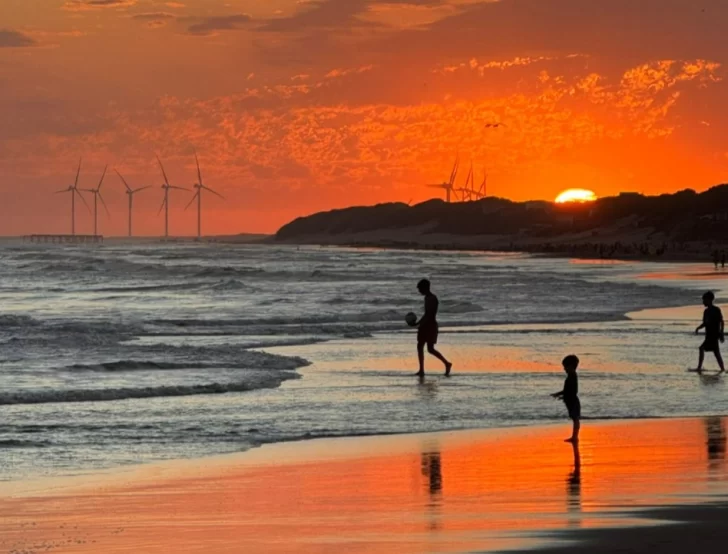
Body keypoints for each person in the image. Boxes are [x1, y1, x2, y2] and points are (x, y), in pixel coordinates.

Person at [414, 279, 452, 377]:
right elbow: (426, 314)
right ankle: (421, 369)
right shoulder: (427, 298)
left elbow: (429, 314)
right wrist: (419, 323)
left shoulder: (432, 298)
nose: (419, 291)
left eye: (420, 288)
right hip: (427, 325)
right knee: (420, 346)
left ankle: (446, 363)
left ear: (425, 287)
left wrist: (419, 323)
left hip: (430, 326)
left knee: (430, 349)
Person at [551, 355, 580, 443]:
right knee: (574, 418)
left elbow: (573, 391)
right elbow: (566, 390)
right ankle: (574, 437)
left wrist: (563, 396)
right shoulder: (571, 376)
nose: (564, 369)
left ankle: (575, 437)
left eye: (565, 367)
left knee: (575, 419)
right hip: (570, 401)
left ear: (571, 366)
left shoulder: (572, 376)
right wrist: (559, 394)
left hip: (573, 401)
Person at [695, 291, 725, 373]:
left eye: (704, 300)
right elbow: (705, 323)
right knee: (716, 353)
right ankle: (723, 369)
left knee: (702, 348)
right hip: (708, 335)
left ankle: (699, 367)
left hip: (714, 334)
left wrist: (721, 333)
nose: (703, 302)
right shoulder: (706, 311)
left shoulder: (716, 310)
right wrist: (698, 328)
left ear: (709, 300)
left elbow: (721, 321)